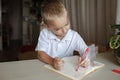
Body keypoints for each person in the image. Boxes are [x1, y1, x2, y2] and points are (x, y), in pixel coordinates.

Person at [35, 1, 90, 70]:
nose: (64, 30)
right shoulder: (45, 34)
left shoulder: (74, 36)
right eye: (58, 29)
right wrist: (52, 61)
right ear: (47, 27)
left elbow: (86, 50)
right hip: (48, 68)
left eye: (66, 24)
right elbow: (40, 54)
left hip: (67, 69)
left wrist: (85, 59)